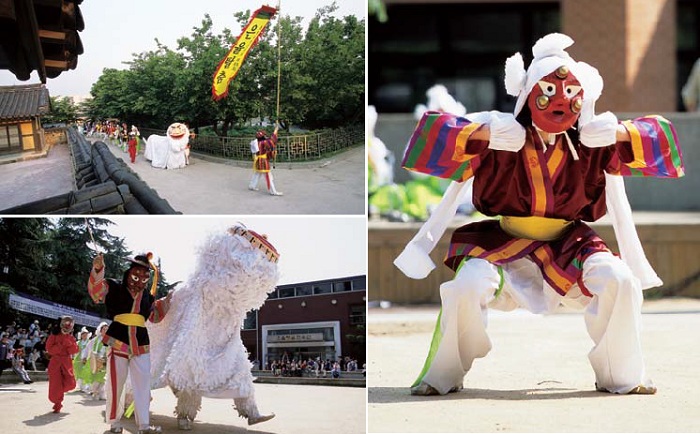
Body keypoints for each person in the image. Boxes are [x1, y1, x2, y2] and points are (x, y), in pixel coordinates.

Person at [394, 33, 685, 397]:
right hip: (503, 240)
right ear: (529, 95)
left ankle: (620, 375)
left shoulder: (593, 139)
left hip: (569, 244)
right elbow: (425, 142)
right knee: (467, 285)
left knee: (619, 280)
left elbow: (667, 147)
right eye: (547, 91)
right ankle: (444, 374)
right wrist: (483, 133)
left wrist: (622, 132)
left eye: (572, 93)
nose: (560, 101)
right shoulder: (502, 132)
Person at [88, 252, 172, 434]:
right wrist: (97, 269)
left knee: (143, 385)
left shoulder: (148, 297)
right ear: (129, 272)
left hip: (141, 342)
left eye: (145, 276)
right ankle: (114, 423)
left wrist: (167, 302)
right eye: (137, 274)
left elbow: (154, 317)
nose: (141, 279)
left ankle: (144, 425)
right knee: (115, 384)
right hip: (118, 338)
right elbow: (95, 293)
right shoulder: (113, 286)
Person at [46, 316, 80, 413]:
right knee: (55, 384)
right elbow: (49, 349)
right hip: (55, 362)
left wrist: (69, 343)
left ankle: (59, 393)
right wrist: (61, 345)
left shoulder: (71, 338)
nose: (66, 328)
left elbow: (75, 350)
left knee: (71, 384)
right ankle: (57, 404)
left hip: (66, 362)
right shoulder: (53, 336)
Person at [248, 125, 283, 196]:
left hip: (257, 160)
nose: (266, 137)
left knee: (257, 174)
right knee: (268, 176)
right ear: (263, 136)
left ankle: (252, 186)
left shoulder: (254, 142)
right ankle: (273, 191)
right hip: (263, 161)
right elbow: (272, 141)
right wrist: (275, 131)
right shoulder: (263, 142)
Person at [89, 322, 109, 400]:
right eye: (104, 329)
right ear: (100, 330)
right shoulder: (96, 339)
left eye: (107, 329)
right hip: (97, 361)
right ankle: (95, 392)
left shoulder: (109, 339)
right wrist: (96, 358)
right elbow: (91, 349)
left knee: (104, 378)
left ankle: (102, 393)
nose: (105, 331)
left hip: (106, 361)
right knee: (96, 378)